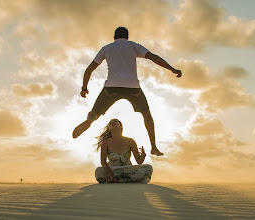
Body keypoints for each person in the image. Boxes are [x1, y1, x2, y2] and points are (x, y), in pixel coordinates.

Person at [73, 27, 182, 156]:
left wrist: (84, 89)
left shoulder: (106, 48)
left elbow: (89, 70)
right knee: (146, 115)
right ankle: (153, 146)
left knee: (95, 113)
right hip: (133, 88)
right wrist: (172, 69)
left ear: (114, 38)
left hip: (111, 87)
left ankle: (89, 121)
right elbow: (154, 57)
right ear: (127, 37)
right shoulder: (133, 46)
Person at [94, 118, 153, 183]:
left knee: (148, 168)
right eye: (110, 123)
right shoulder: (106, 142)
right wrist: (108, 171)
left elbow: (139, 161)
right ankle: (129, 180)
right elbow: (103, 160)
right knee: (98, 171)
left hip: (128, 169)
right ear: (109, 129)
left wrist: (142, 156)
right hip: (112, 170)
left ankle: (117, 180)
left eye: (115, 121)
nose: (113, 123)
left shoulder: (130, 141)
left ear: (121, 126)